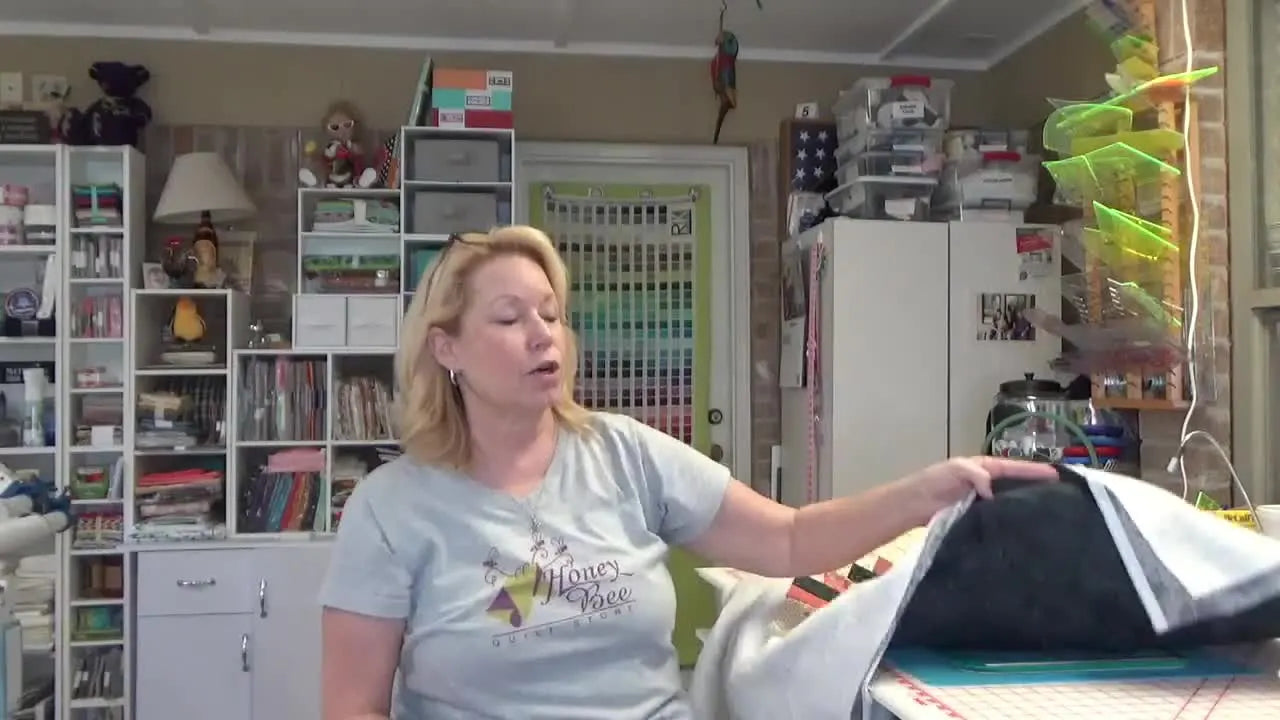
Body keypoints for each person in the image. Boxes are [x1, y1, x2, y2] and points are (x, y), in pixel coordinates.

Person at [319, 226, 1056, 720]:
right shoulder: (391, 508)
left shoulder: (626, 453)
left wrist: (934, 487)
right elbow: (353, 709)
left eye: (552, 313)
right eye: (510, 319)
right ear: (446, 349)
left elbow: (791, 540)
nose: (544, 335)